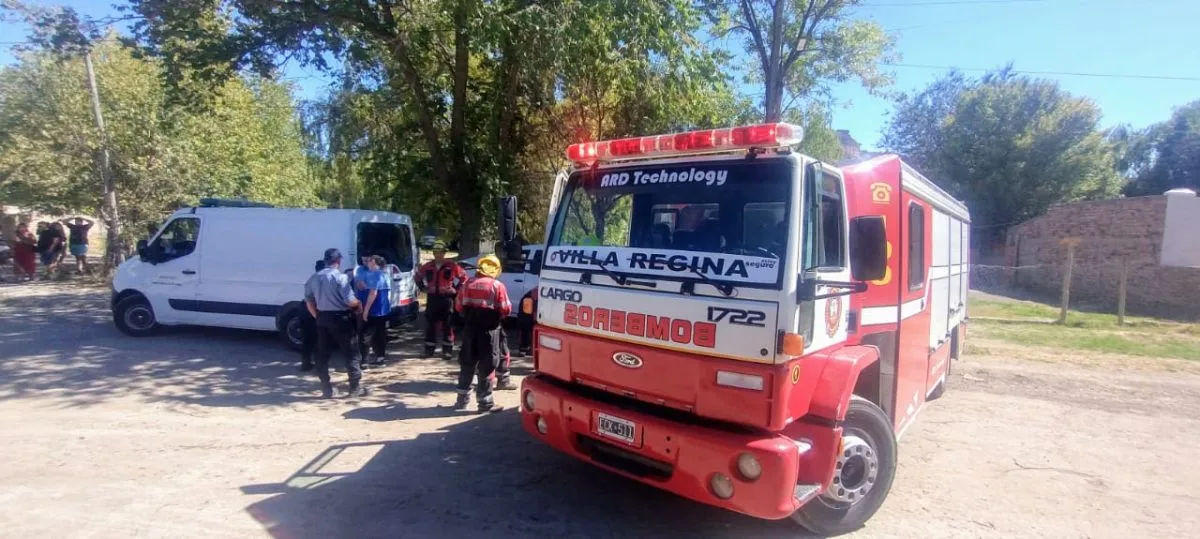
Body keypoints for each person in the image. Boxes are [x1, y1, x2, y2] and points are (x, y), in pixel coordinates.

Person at [453, 254, 511, 412]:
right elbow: (506, 309)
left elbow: (458, 306)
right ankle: (485, 403)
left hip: (470, 330)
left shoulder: (467, 284)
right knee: (487, 365)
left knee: (467, 363)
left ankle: (461, 401)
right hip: (490, 332)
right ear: (496, 269)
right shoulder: (497, 286)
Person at [304, 248, 365, 398]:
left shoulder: (313, 278)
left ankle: (327, 389)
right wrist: (359, 303)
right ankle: (354, 388)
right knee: (351, 352)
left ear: (326, 260)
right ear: (338, 261)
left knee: (322, 354)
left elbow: (309, 301)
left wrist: (317, 316)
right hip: (341, 318)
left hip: (322, 318)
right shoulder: (341, 277)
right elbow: (350, 301)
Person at [417, 241, 467, 359]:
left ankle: (447, 351)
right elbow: (417, 277)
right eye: (436, 252)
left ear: (444, 253)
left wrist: (456, 289)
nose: (438, 255)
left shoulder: (452, 266)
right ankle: (429, 350)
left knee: (447, 325)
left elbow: (464, 278)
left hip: (446, 299)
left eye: (440, 252)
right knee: (430, 325)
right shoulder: (428, 266)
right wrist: (423, 288)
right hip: (432, 299)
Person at [356, 255, 392, 367]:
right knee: (379, 334)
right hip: (383, 310)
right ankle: (380, 358)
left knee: (365, 335)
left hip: (373, 310)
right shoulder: (384, 274)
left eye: (371, 261)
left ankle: (364, 361)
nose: (368, 263)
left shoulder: (375, 274)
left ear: (376, 264)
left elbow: (373, 293)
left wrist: (366, 311)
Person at [298, 259, 324, 372]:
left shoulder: (311, 279)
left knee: (307, 340)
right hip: (314, 311)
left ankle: (305, 364)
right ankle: (319, 366)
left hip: (304, 310)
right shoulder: (323, 280)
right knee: (319, 340)